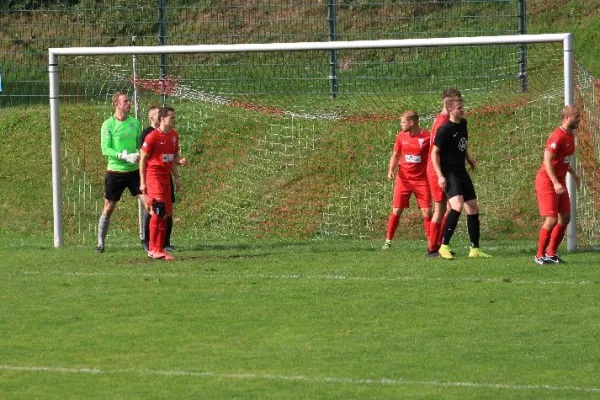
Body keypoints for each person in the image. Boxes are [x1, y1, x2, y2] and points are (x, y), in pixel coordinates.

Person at [431, 98, 492, 259]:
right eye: (459, 107)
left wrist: (469, 158)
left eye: (462, 106)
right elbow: (434, 153)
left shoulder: (463, 124)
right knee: (457, 205)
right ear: (450, 110)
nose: (462, 109)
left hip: (461, 171)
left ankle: (475, 249)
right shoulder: (444, 129)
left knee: (472, 207)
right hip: (449, 173)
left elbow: (462, 145)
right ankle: (444, 246)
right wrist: (440, 176)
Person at [96, 92, 146, 253]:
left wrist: (138, 155)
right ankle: (100, 243)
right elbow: (105, 149)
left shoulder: (135, 123)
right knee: (109, 206)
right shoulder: (108, 124)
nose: (129, 103)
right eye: (125, 101)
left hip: (133, 171)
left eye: (129, 100)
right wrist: (123, 156)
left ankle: (148, 241)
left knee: (148, 202)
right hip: (115, 171)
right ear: (117, 104)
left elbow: (140, 144)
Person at [533, 105, 581, 265]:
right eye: (577, 117)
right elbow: (547, 161)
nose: (579, 120)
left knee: (565, 217)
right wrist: (554, 183)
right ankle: (539, 256)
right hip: (547, 181)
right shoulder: (557, 136)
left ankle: (552, 253)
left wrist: (573, 174)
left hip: (559, 180)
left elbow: (563, 159)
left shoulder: (570, 136)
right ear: (567, 117)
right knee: (552, 219)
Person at [140, 106, 187, 260]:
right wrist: (142, 182)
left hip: (166, 177)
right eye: (171, 118)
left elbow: (172, 156)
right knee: (158, 210)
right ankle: (152, 248)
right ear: (162, 119)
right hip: (153, 176)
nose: (174, 120)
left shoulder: (174, 136)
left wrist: (179, 162)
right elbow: (143, 159)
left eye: (174, 117)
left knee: (165, 214)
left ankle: (159, 249)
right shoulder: (152, 137)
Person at [382, 111, 432, 251]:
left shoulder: (427, 136)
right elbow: (396, 154)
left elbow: (434, 155)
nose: (401, 125)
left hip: (422, 180)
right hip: (403, 179)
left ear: (412, 123)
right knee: (397, 210)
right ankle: (388, 241)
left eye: (403, 122)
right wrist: (391, 170)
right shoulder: (400, 136)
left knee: (427, 212)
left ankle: (431, 242)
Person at [426, 88, 463, 256]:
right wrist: (440, 173)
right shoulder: (442, 123)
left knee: (449, 208)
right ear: (448, 104)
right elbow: (436, 151)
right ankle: (432, 248)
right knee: (440, 209)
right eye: (457, 102)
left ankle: (441, 244)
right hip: (437, 170)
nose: (460, 105)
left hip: (443, 169)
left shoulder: (445, 120)